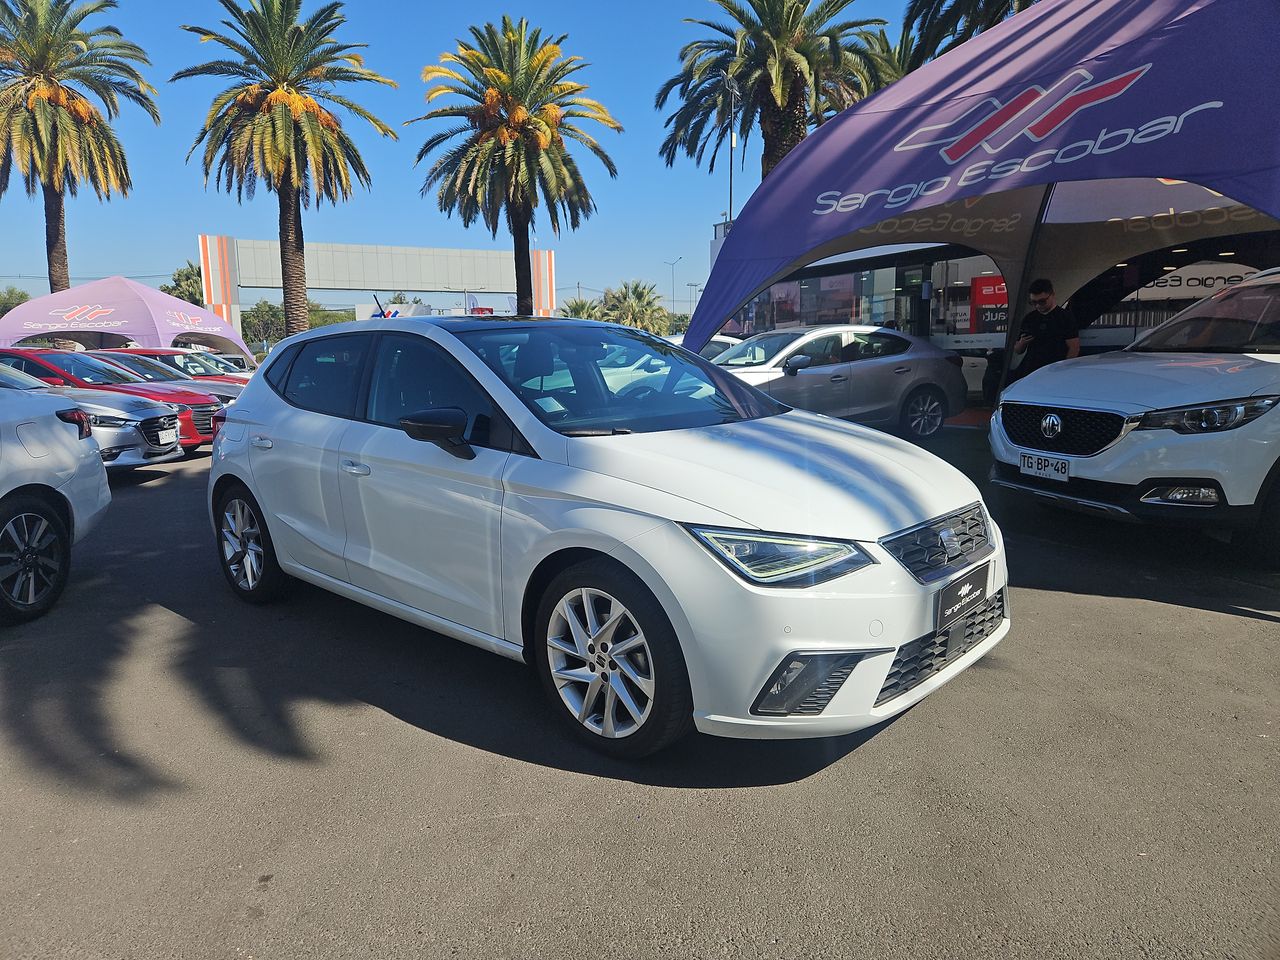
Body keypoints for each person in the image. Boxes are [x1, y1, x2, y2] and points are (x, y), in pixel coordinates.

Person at [1012, 278, 1080, 378]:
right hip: (1032, 368)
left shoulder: (1065, 317)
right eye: (1033, 302)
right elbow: (1018, 350)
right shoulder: (1029, 318)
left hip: (1055, 367)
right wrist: (1022, 343)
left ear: (1052, 295)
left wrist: (1064, 369)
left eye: (1042, 301)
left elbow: (1074, 347)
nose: (1038, 305)